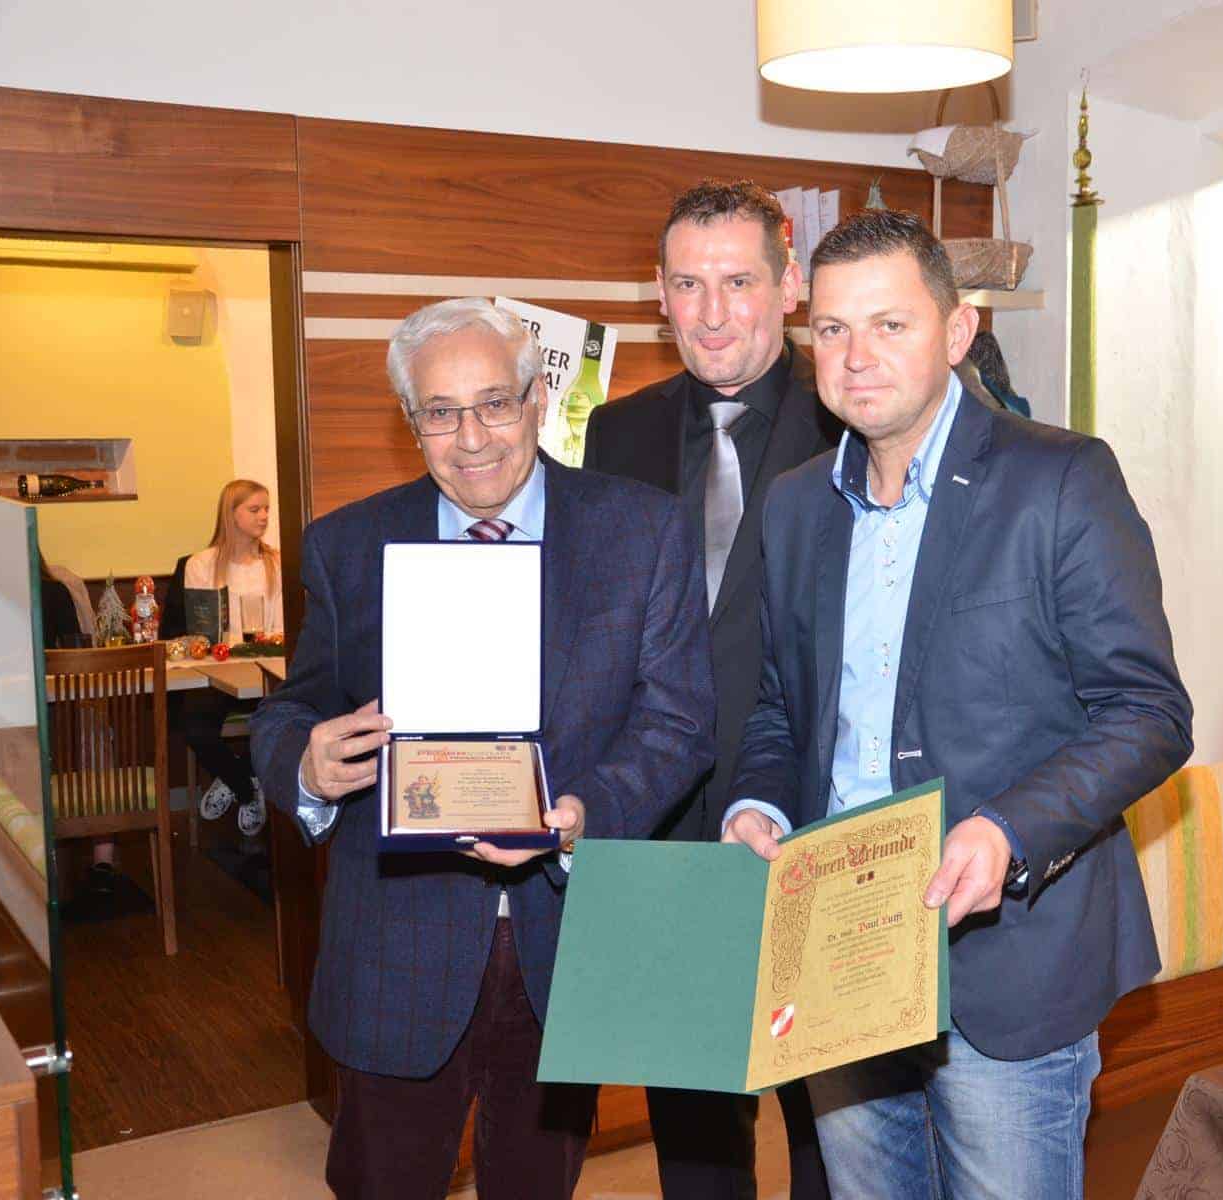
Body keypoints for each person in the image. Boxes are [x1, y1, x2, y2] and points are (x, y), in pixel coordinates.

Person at [721, 211, 1194, 1199]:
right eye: (833, 330)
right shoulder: (797, 505)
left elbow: (1149, 712)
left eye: (890, 325)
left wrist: (1007, 830)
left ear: (958, 331)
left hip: (1009, 956)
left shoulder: (1060, 480)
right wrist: (756, 803)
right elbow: (781, 708)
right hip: (843, 951)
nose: (856, 357)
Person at [251, 298, 713, 1200]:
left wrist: (586, 812)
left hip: (563, 939)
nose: (471, 439)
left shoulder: (643, 531)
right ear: (410, 421)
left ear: (537, 399)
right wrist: (305, 761)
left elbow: (679, 720)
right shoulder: (346, 545)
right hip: (395, 944)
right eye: (441, 411)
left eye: (495, 403)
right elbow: (293, 708)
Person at [582, 181, 834, 1200]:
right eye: (689, 284)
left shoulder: (855, 415)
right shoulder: (616, 434)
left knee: (834, 1130)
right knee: (693, 1135)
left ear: (789, 286)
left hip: (818, 824)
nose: (714, 311)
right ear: (659, 294)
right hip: (666, 828)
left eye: (738, 281)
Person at [175, 480, 286, 837]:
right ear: (231, 514)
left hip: (267, 667)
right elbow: (200, 632)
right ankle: (245, 786)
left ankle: (238, 777)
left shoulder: (277, 563)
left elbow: (282, 627)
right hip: (218, 669)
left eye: (266, 509)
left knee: (281, 720)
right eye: (254, 509)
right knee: (195, 727)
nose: (264, 516)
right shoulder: (201, 564)